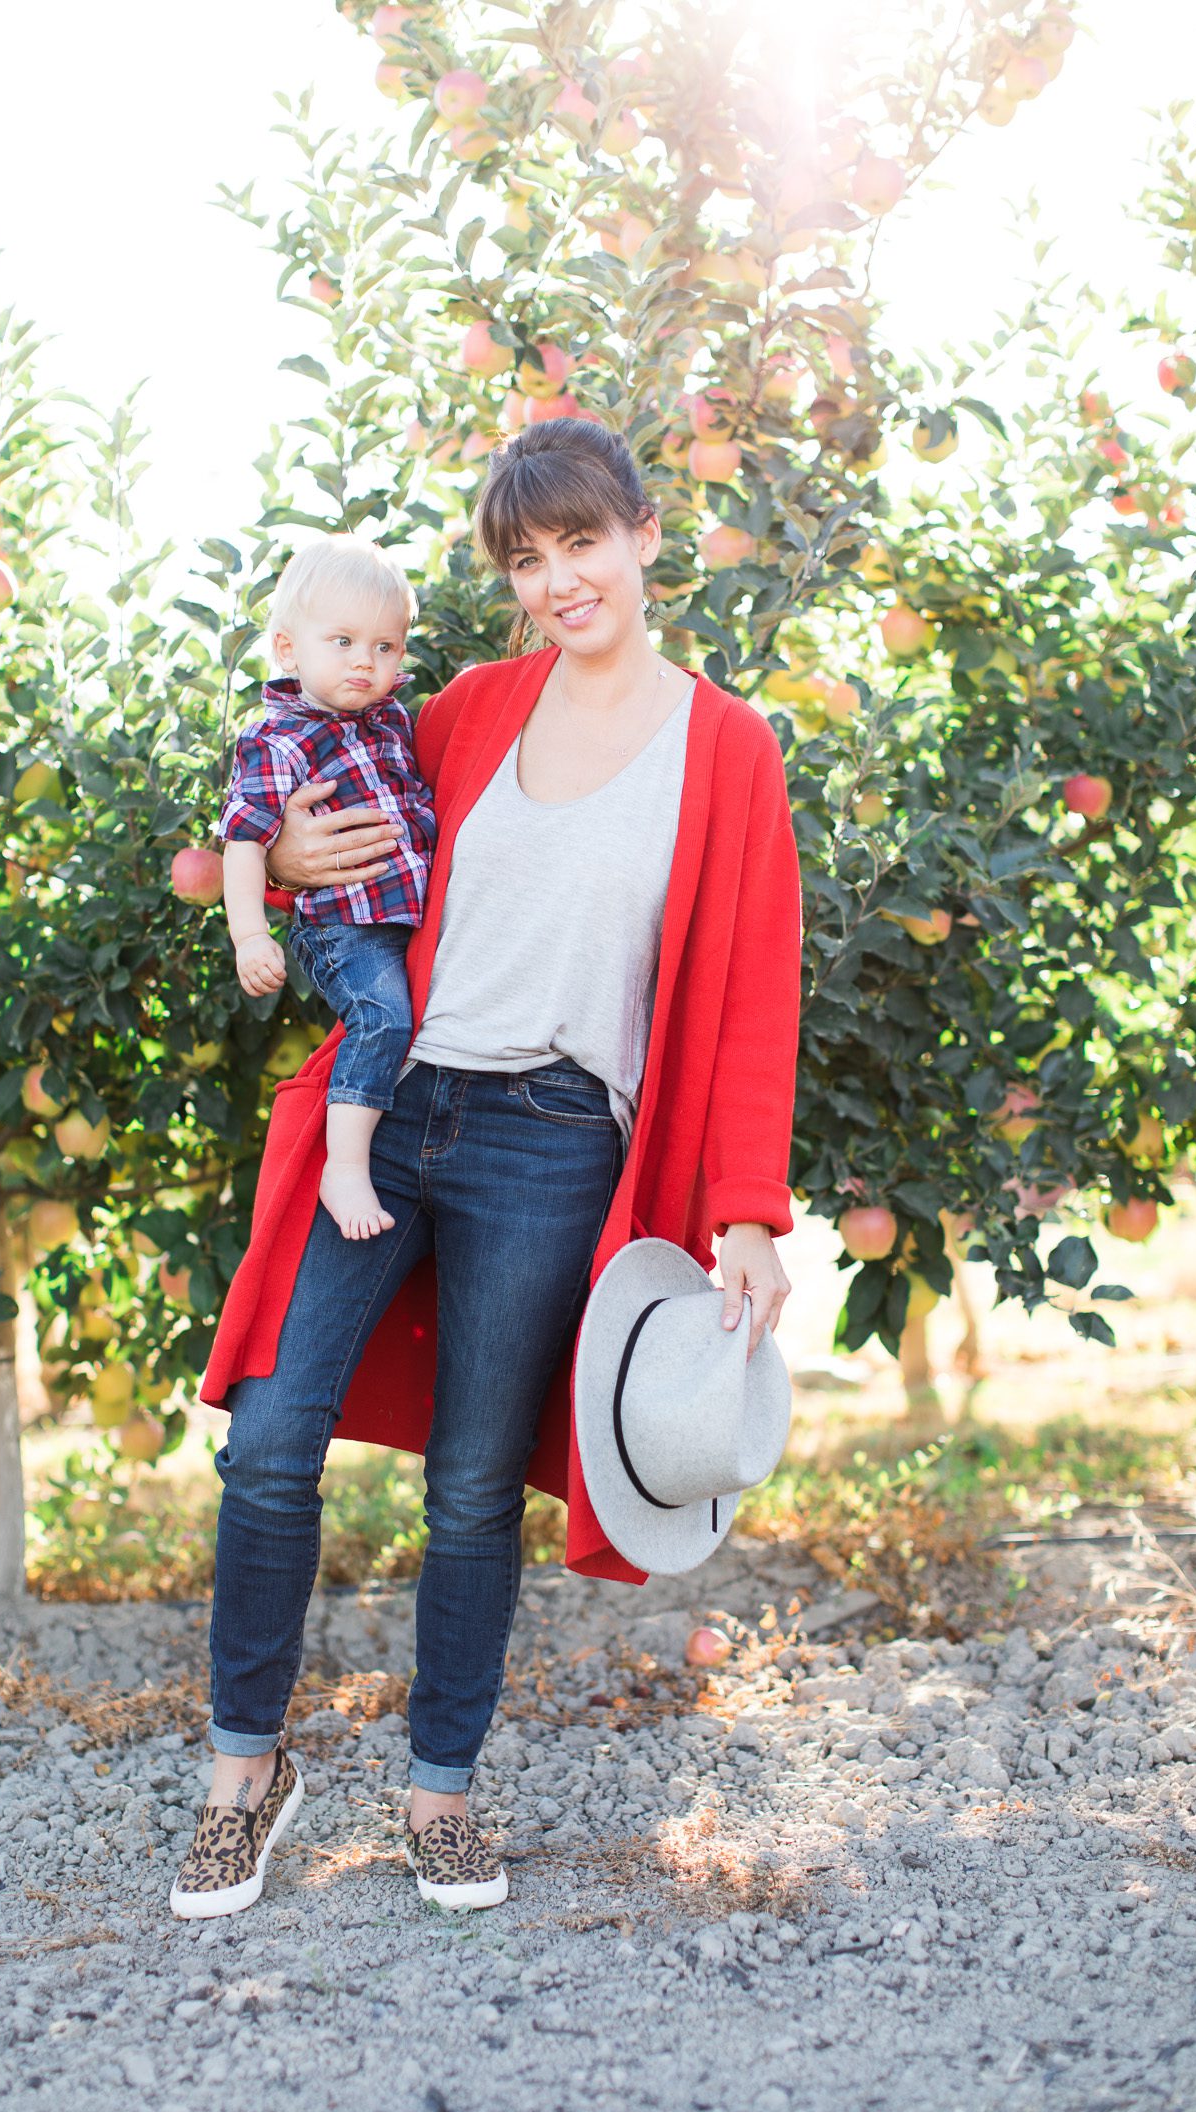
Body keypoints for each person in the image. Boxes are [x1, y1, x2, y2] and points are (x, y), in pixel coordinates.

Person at [170, 415, 802, 1921]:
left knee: (469, 1488)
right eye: (527, 559)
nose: (559, 580)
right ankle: (242, 1776)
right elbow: (277, 813)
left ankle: (440, 1792)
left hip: (556, 1142)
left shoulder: (726, 747)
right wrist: (293, 873)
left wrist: (748, 1211)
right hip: (389, 1114)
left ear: (646, 535)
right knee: (270, 1439)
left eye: (581, 542)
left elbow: (758, 984)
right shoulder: (463, 710)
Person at [218, 535, 436, 1240]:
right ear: (288, 650)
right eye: (342, 641)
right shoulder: (278, 738)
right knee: (383, 1020)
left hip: (402, 920)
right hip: (344, 928)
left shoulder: (395, 722)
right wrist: (250, 933)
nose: (364, 663)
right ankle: (345, 1166)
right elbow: (244, 840)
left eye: (385, 647)